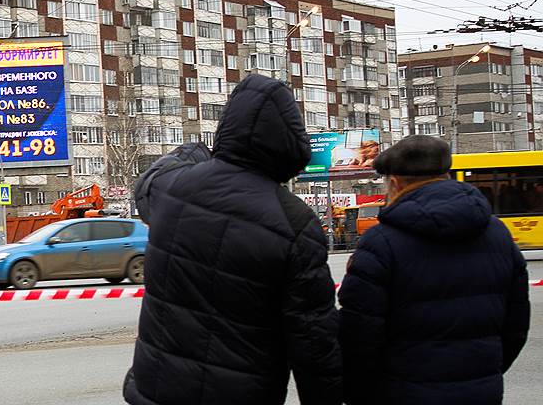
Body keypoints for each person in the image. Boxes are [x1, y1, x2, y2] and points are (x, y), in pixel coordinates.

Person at [124, 74, 341, 405]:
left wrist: (196, 152)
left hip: (155, 390)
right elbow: (313, 340)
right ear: (289, 142)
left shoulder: (173, 189)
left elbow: (148, 182)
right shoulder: (294, 222)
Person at [339, 135, 530, 405]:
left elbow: (359, 334)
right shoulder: (497, 233)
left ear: (394, 183)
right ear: (446, 175)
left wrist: (359, 392)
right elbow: (516, 324)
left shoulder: (380, 242)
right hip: (481, 392)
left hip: (400, 392)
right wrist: (484, 374)